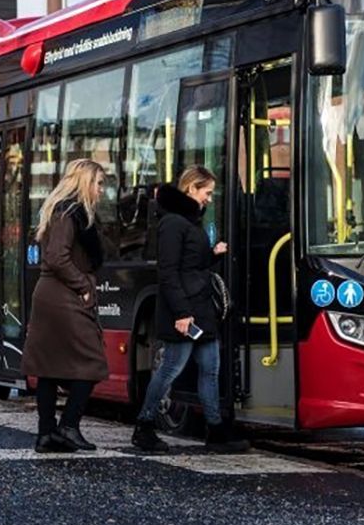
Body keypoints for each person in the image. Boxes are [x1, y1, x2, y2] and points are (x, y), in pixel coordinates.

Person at [131, 166, 248, 454]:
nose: (209, 198)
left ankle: (215, 430)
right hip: (185, 311)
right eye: (207, 192)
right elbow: (168, 272)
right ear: (191, 188)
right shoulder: (173, 223)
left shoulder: (188, 220)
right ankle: (144, 425)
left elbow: (190, 265)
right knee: (171, 368)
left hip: (200, 308)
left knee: (210, 369)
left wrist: (212, 255)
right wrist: (182, 313)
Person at [23, 158, 110, 453]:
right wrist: (83, 286)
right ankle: (68, 426)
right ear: (84, 182)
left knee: (49, 366)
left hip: (54, 294)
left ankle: (47, 434)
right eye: (99, 183)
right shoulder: (69, 213)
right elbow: (57, 257)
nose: (101, 190)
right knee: (92, 361)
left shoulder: (64, 212)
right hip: (63, 295)